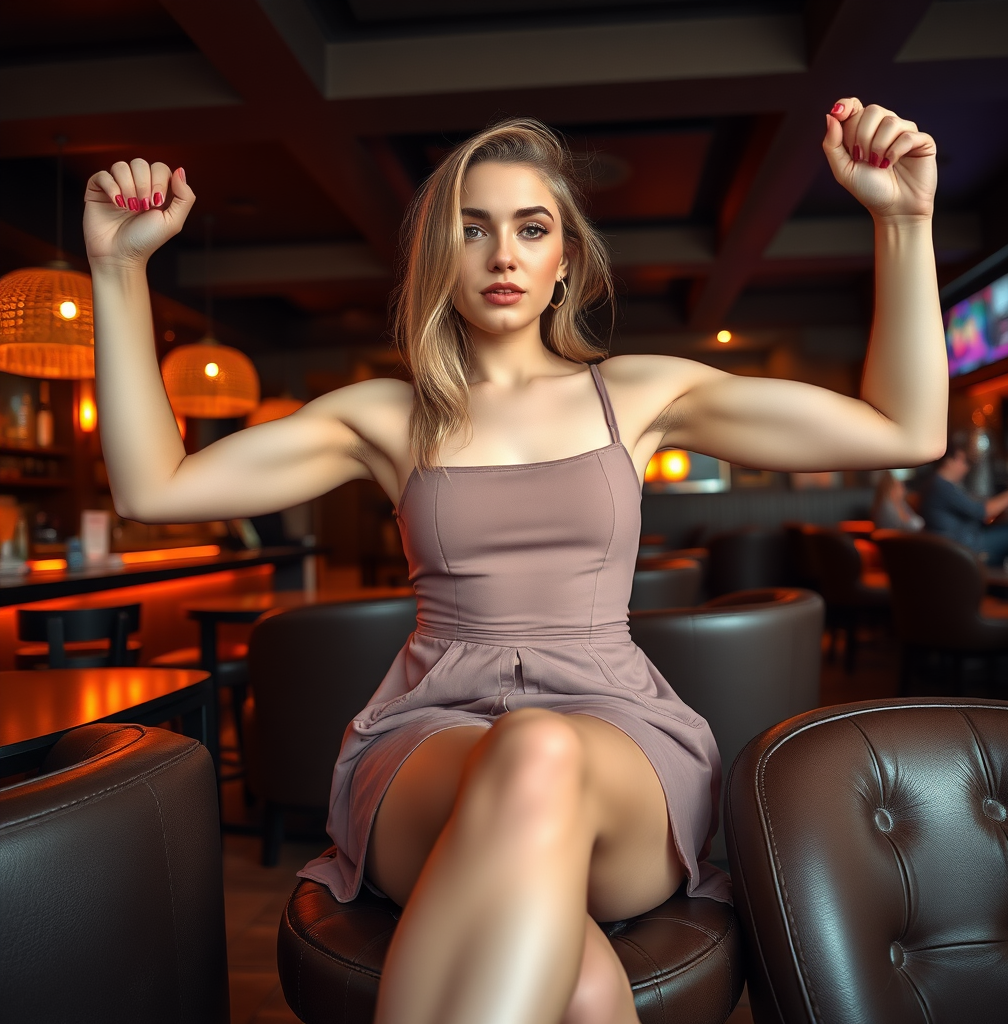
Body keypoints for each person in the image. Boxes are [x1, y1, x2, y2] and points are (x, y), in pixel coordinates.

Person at [83, 97, 945, 1024]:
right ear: (436, 258)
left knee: (536, 746)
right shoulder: (387, 415)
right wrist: (117, 269)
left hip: (618, 741)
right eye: (471, 229)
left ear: (563, 258)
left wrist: (902, 220)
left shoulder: (638, 395)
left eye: (531, 229)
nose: (503, 255)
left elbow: (907, 426)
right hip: (429, 739)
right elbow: (153, 487)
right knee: (572, 979)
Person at [921, 442, 1008, 565]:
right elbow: (982, 512)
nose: (966, 468)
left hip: (957, 543)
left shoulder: (937, 484)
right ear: (950, 460)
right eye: (964, 461)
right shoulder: (941, 486)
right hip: (962, 546)